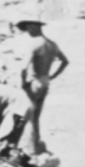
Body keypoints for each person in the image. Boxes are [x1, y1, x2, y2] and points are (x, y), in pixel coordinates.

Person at [15, 19, 69, 154]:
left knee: (28, 117)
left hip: (34, 83)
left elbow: (23, 67)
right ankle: (36, 144)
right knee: (36, 117)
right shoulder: (51, 44)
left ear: (34, 27)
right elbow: (65, 61)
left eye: (28, 28)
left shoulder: (34, 44)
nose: (27, 31)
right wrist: (53, 76)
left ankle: (31, 149)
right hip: (45, 81)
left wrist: (23, 83)